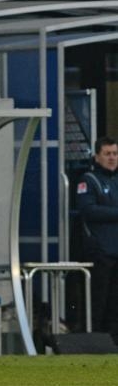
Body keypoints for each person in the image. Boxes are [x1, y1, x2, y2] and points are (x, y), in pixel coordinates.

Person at [76, 136, 118, 345]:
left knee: (115, 303)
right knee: (98, 301)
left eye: (115, 154)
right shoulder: (89, 180)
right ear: (97, 156)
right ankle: (95, 341)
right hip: (101, 252)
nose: (112, 158)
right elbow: (88, 210)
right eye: (107, 154)